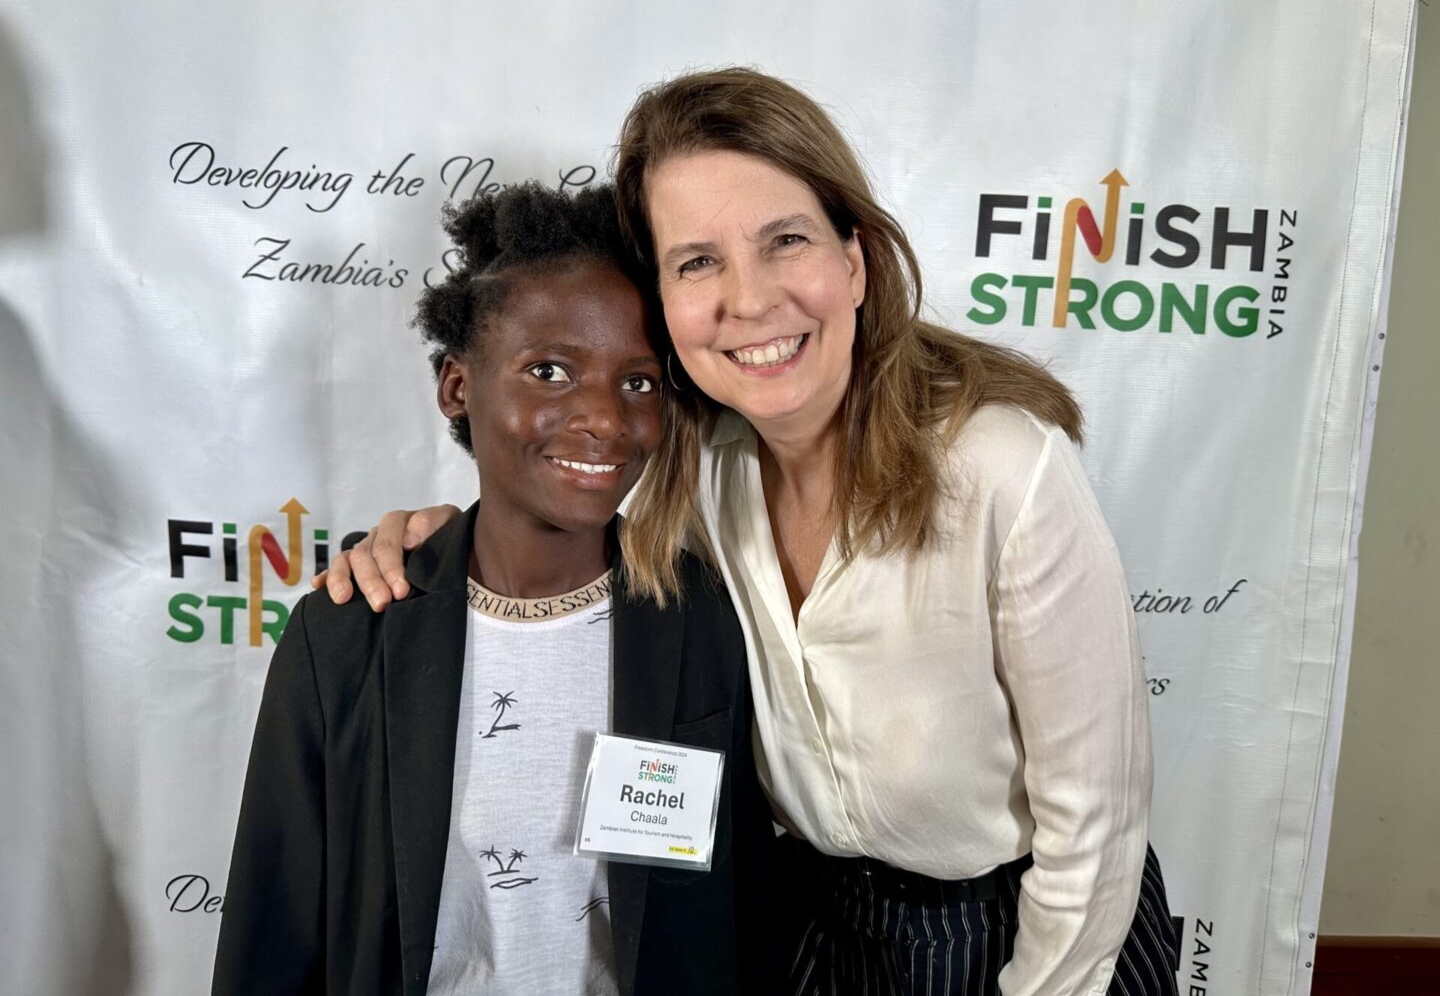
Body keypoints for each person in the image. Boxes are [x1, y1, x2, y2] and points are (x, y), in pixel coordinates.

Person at [324, 69, 1181, 996]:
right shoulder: (690, 487)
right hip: (816, 931)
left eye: (786, 240)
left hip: (1030, 937)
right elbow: (544, 531)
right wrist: (432, 544)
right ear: (662, 304)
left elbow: (1095, 832)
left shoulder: (1003, 466)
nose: (751, 298)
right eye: (697, 262)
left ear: (855, 262)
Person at [213, 182, 777, 996]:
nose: (604, 419)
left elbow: (743, 917)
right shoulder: (346, 635)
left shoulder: (699, 618)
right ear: (457, 386)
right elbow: (273, 939)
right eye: (549, 371)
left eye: (639, 382)